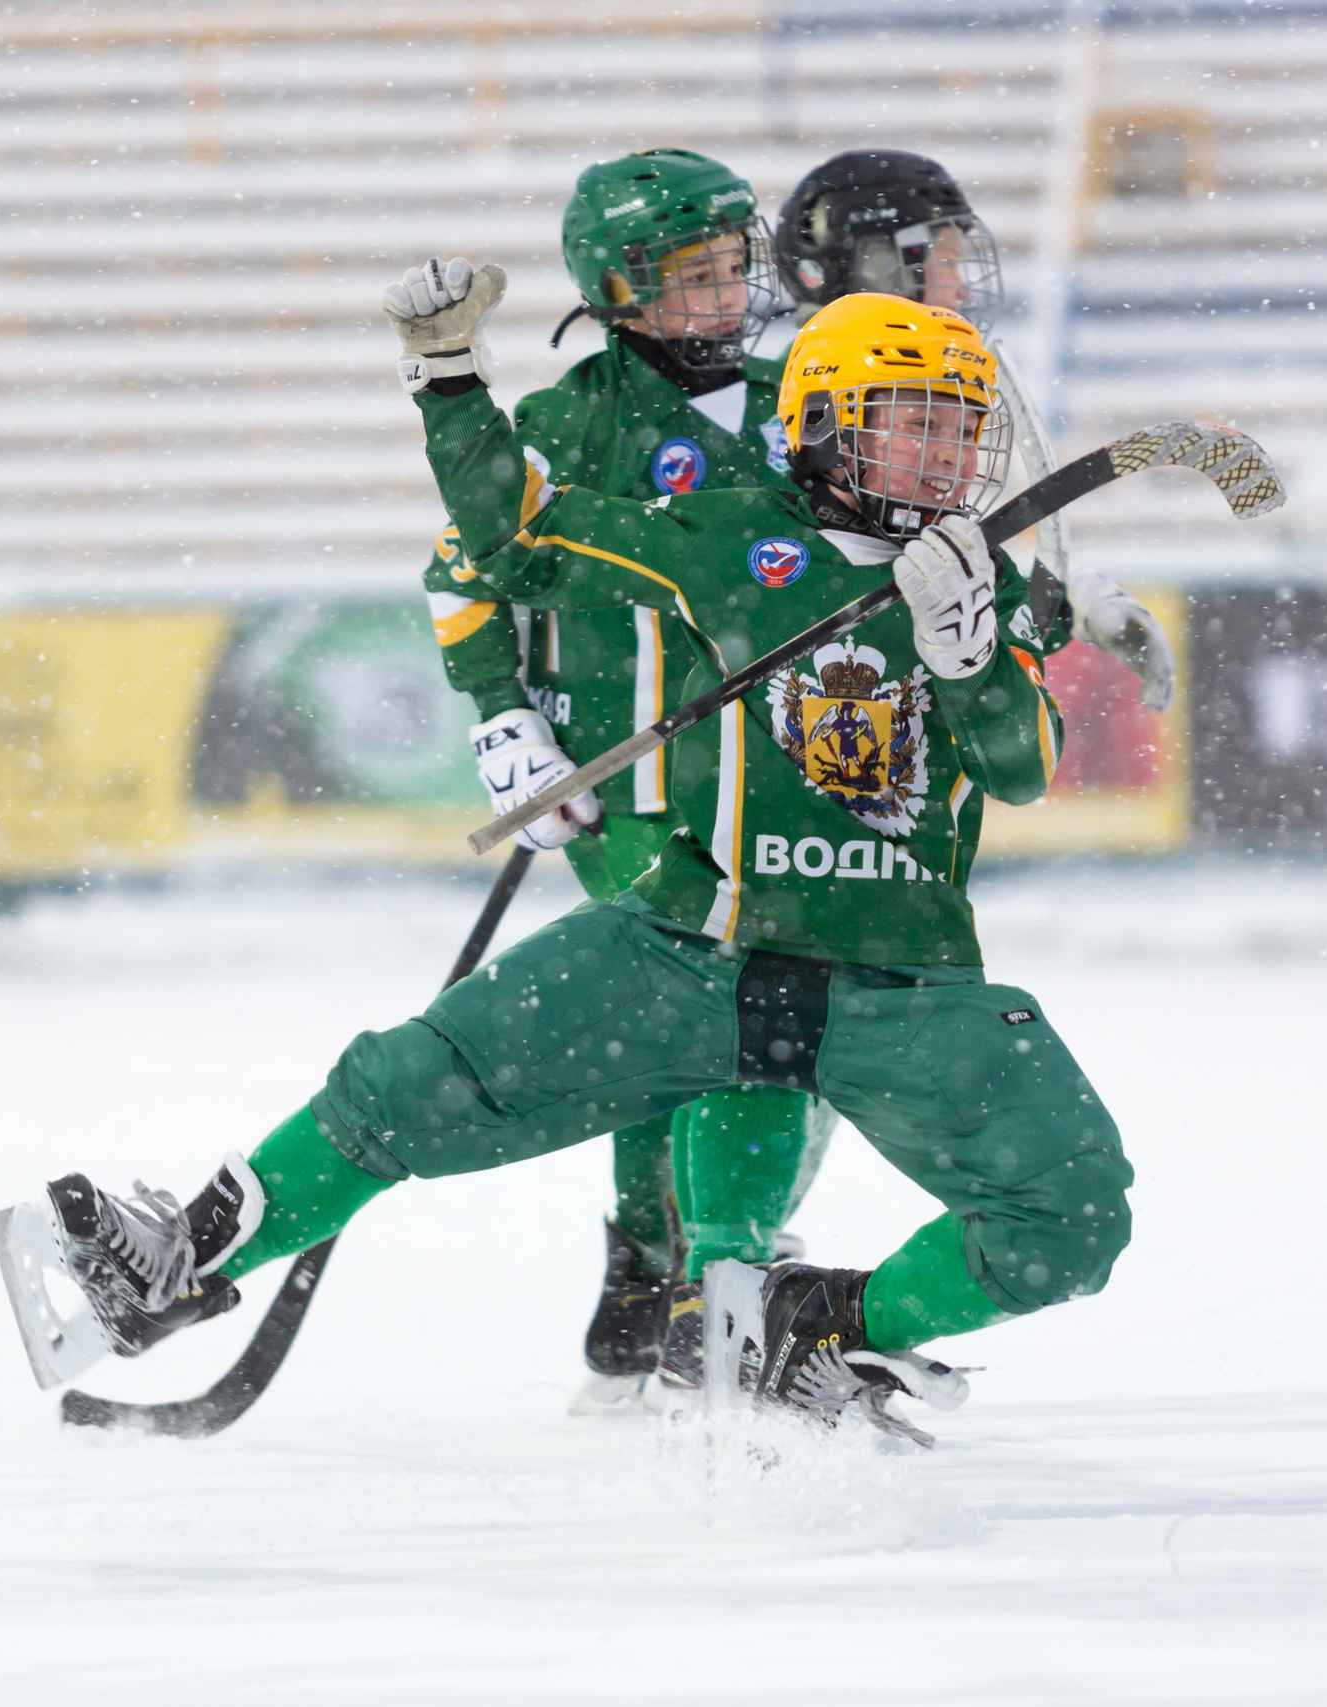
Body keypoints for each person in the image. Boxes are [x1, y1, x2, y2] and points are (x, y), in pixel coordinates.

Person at [0, 280, 1130, 1449]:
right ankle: (177, 1262)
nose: (945, 453)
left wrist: (973, 654)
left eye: (958, 425)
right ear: (829, 423)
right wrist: (447, 380)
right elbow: (511, 533)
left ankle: (816, 1329)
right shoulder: (732, 535)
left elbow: (1019, 765)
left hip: (902, 982)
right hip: (692, 946)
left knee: (1073, 1217)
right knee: (392, 1088)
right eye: (915, 418)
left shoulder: (990, 587)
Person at [423, 149, 836, 1412]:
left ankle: (654, 1278)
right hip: (634, 788)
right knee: (729, 997)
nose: (725, 297)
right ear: (617, 291)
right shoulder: (567, 424)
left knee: (707, 1022)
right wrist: (507, 724)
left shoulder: (796, 398)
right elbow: (461, 574)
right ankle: (706, 1276)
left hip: (771, 779)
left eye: (733, 269)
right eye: (693, 279)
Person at [773, 149, 1177, 712]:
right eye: (944, 262)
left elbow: (938, 575)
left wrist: (1068, 601)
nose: (961, 290)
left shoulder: (940, 397)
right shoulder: (786, 410)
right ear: (876, 267)